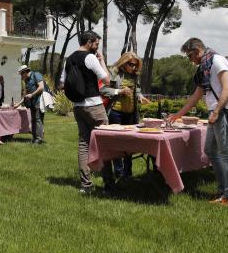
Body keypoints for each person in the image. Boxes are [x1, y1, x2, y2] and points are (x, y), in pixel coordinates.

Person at [167, 37, 228, 207]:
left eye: (190, 56)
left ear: (197, 50)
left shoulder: (216, 61)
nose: (190, 60)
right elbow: (196, 95)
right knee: (210, 150)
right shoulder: (205, 67)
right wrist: (177, 115)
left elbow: (227, 88)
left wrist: (216, 111)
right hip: (216, 113)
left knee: (227, 154)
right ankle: (223, 191)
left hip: (223, 112)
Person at [59, 30, 112, 194]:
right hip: (94, 105)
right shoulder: (90, 57)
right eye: (96, 44)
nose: (96, 47)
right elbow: (107, 79)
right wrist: (102, 61)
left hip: (78, 107)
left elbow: (62, 83)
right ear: (89, 42)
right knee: (104, 143)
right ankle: (109, 184)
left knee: (83, 144)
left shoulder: (70, 59)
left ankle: (86, 185)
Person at [99, 51, 151, 180]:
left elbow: (137, 89)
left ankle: (128, 173)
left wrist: (140, 96)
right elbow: (102, 89)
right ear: (124, 61)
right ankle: (119, 172)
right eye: (131, 64)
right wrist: (119, 91)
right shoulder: (114, 72)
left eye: (135, 65)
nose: (133, 67)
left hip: (131, 114)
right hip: (115, 113)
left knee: (129, 143)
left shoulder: (134, 76)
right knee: (117, 144)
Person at [17, 65, 46, 144]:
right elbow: (26, 95)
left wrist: (32, 95)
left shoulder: (36, 75)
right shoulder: (26, 80)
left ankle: (39, 139)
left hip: (39, 101)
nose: (21, 76)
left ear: (25, 72)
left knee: (38, 120)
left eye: (21, 74)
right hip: (32, 103)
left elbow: (41, 87)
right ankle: (34, 138)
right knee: (33, 120)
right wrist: (18, 104)